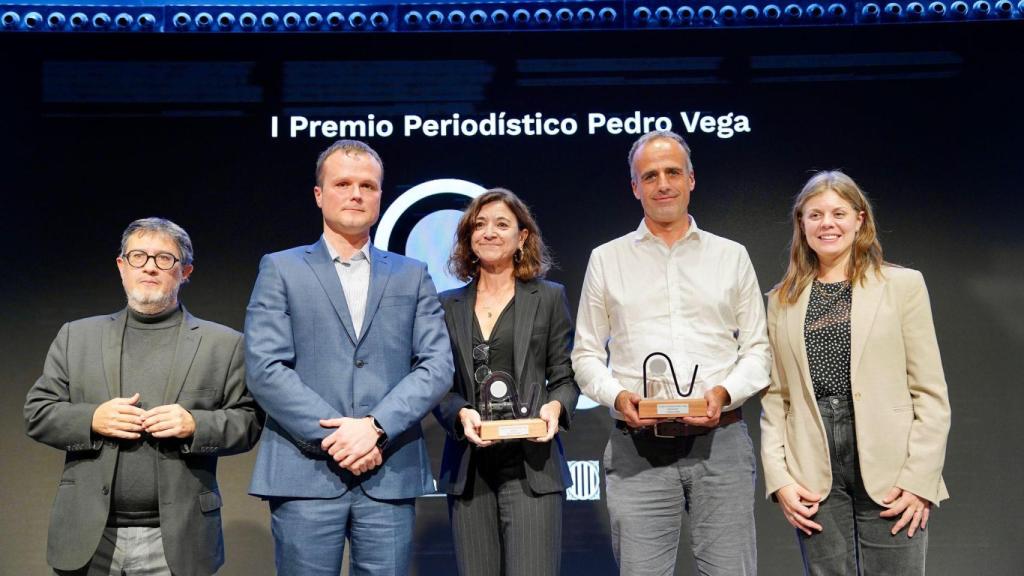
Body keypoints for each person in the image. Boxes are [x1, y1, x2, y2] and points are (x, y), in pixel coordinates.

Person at [244, 139, 453, 576]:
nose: (356, 194)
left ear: (379, 196)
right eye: (343, 184)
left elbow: (436, 366)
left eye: (367, 186)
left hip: (388, 471)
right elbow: (265, 368)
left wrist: (374, 428)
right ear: (319, 194)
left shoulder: (412, 274)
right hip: (304, 472)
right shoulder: (281, 268)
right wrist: (341, 437)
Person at [572, 130, 771, 575]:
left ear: (691, 180)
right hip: (637, 448)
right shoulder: (606, 259)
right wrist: (619, 397)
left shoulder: (731, 256)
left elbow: (758, 351)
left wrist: (723, 394)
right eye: (650, 176)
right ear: (635, 187)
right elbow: (585, 355)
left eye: (672, 173)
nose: (663, 184)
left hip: (721, 445)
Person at [24, 217, 262, 576]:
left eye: (164, 258)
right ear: (122, 266)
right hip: (88, 534)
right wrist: (92, 419)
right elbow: (37, 412)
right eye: (138, 256)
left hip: (178, 538)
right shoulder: (77, 336)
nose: (150, 266)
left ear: (185, 271)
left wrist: (195, 425)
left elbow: (249, 421)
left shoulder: (223, 344)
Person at [760, 170, 950, 575]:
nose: (826, 224)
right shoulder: (781, 300)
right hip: (813, 466)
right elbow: (777, 397)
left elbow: (930, 394)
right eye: (815, 215)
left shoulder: (902, 285)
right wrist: (780, 480)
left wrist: (920, 479)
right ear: (801, 223)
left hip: (891, 463)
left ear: (860, 219)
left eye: (838, 213)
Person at [433, 188, 579, 576]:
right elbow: (438, 384)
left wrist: (555, 407)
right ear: (468, 237)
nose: (489, 232)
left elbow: (565, 377)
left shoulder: (549, 298)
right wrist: (460, 413)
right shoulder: (446, 305)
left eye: (502, 224)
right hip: (469, 467)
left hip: (532, 465)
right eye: (479, 225)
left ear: (522, 236)